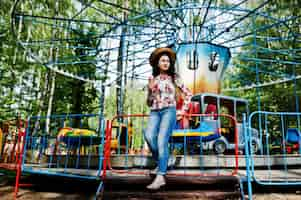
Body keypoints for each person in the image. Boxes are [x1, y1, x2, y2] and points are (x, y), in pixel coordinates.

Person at [144, 47, 192, 190]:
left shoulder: (174, 77)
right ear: (157, 64)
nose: (165, 63)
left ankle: (161, 176)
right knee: (148, 136)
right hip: (155, 111)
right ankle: (162, 161)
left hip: (169, 111)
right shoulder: (153, 79)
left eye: (167, 61)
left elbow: (188, 94)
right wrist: (150, 89)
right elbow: (148, 102)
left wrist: (182, 111)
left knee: (161, 140)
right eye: (162, 60)